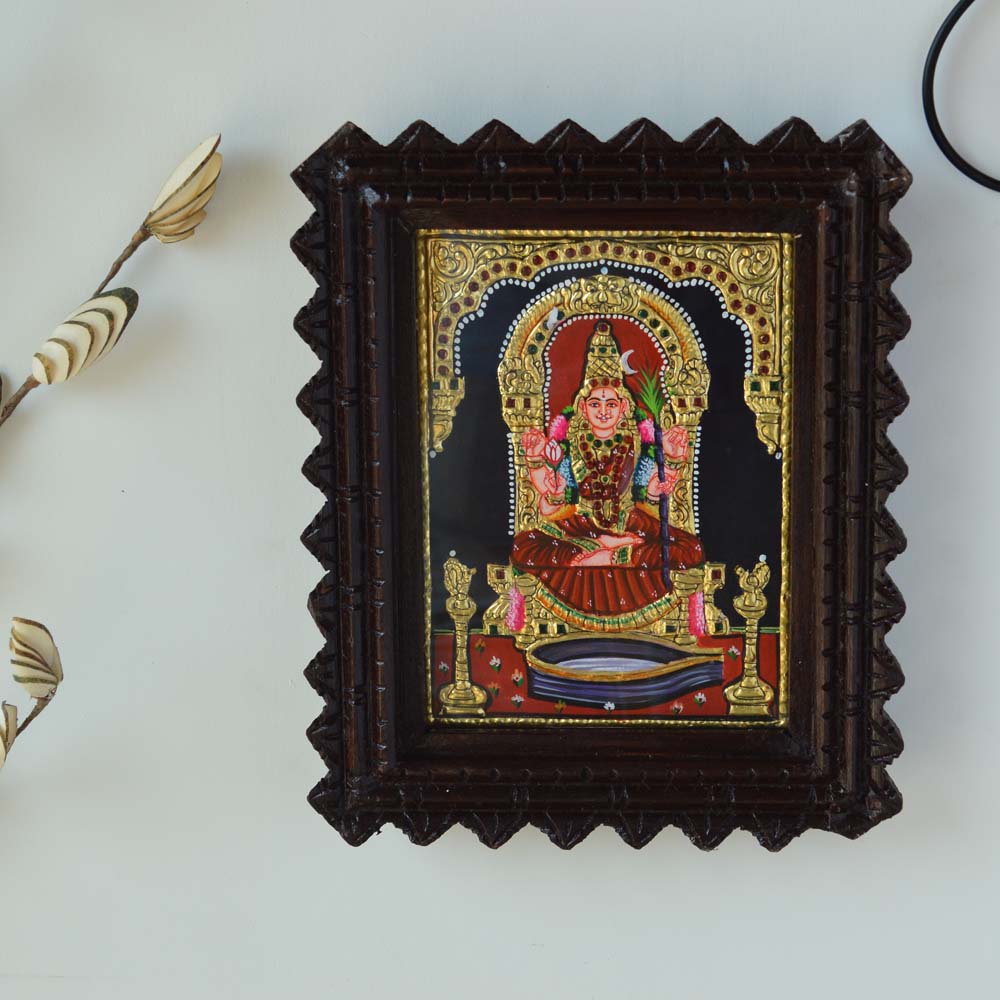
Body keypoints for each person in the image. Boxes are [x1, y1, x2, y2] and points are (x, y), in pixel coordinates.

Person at [510, 320, 703, 618]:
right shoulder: (569, 447)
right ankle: (605, 548)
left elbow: (646, 491)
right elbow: (556, 501)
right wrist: (554, 492)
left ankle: (613, 554)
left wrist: (655, 488)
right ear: (582, 407)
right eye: (596, 404)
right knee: (524, 547)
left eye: (611, 404)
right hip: (582, 524)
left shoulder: (638, 443)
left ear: (623, 407)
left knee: (690, 549)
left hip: (631, 522)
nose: (603, 411)